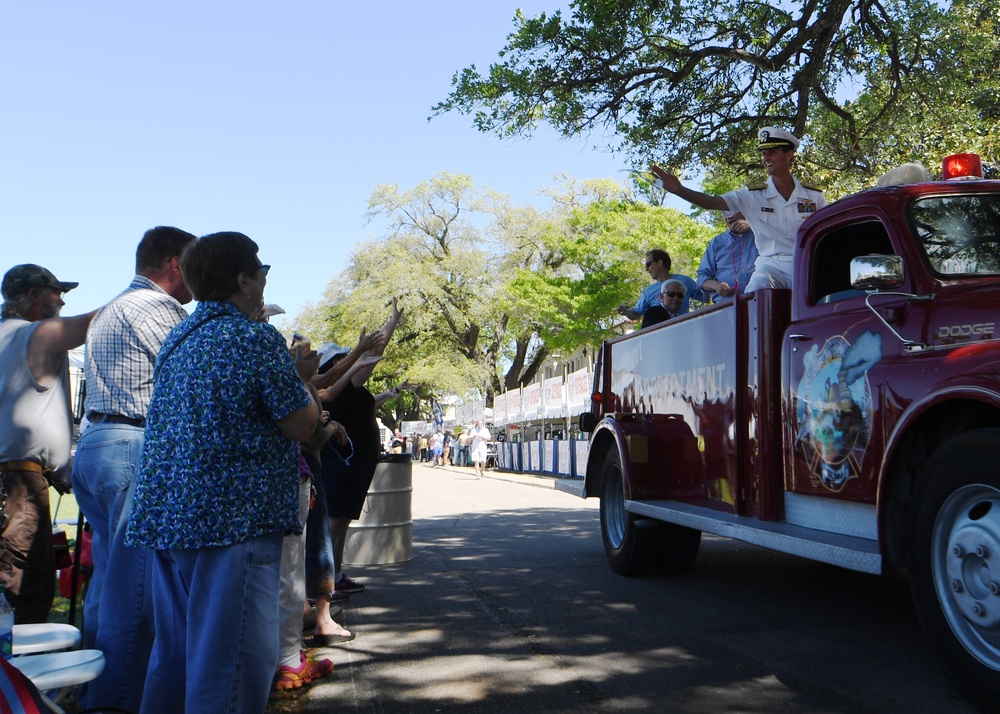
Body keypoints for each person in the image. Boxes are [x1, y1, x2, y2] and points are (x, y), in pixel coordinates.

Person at [125, 232, 320, 714]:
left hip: (169, 520)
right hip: (233, 522)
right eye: (262, 271)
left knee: (175, 658)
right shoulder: (254, 337)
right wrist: (302, 379)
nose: (264, 280)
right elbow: (301, 423)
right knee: (231, 667)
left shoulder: (179, 339)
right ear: (243, 279)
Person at [70, 227, 196, 711]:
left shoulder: (116, 307)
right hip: (133, 445)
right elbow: (194, 370)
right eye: (194, 262)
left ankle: (96, 691)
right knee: (138, 595)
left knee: (110, 586)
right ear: (174, 264)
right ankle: (116, 702)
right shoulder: (157, 310)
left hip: (103, 443)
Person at [0, 264, 98, 623]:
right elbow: (92, 324)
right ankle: (21, 673)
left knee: (21, 581)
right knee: (25, 586)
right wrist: (141, 296)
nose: (61, 301)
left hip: (21, 477)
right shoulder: (35, 333)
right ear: (37, 296)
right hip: (18, 482)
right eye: (57, 292)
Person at [654, 127, 826, 291]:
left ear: (789, 155)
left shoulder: (813, 195)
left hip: (808, 263)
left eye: (772, 152)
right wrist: (680, 190)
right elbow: (711, 202)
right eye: (764, 154)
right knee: (759, 286)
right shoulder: (753, 195)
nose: (766, 158)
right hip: (773, 266)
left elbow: (826, 230)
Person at [320, 298, 405, 596]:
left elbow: (370, 356)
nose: (351, 358)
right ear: (333, 364)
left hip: (352, 463)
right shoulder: (340, 385)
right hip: (344, 463)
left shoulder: (347, 388)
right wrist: (392, 322)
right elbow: (374, 349)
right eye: (342, 357)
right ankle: (323, 584)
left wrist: (391, 392)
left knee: (341, 523)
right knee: (335, 524)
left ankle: (336, 575)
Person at [616, 249, 698, 321]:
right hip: (661, 333)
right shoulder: (648, 292)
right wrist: (626, 312)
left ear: (660, 263)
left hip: (684, 329)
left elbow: (704, 298)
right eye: (671, 294)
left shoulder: (686, 281)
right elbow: (636, 314)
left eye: (648, 265)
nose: (646, 269)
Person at [695, 212, 759, 303]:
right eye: (724, 213)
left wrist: (754, 225)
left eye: (731, 212)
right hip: (725, 306)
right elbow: (701, 278)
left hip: (758, 303)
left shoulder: (762, 235)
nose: (728, 218)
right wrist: (715, 285)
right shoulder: (717, 242)